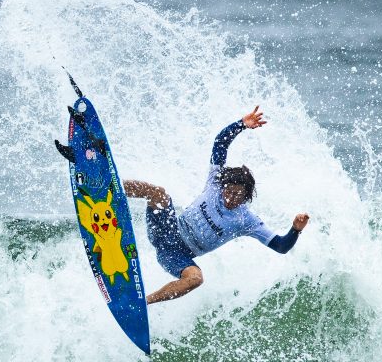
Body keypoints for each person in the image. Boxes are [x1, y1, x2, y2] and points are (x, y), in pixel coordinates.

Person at [124, 106, 310, 304]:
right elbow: (221, 143)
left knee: (195, 278)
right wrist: (241, 125)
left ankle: (142, 302)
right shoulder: (215, 181)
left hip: (176, 255)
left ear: (246, 197)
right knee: (159, 193)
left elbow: (281, 246)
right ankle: (110, 188)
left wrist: (295, 230)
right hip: (167, 229)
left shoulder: (246, 221)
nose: (230, 198)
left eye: (237, 195)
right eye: (228, 191)